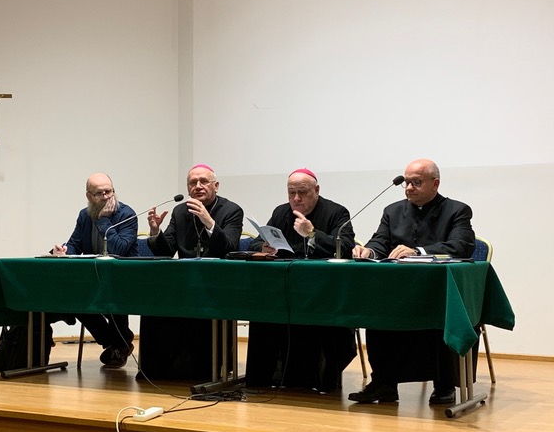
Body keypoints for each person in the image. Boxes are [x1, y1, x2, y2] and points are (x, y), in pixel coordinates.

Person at [349, 158, 476, 404]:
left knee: (438, 317)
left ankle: (444, 385)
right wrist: (369, 251)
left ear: (435, 184)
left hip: (435, 292)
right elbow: (380, 241)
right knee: (376, 312)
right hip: (396, 291)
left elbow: (461, 245)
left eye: (416, 182)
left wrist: (418, 251)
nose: (408, 188)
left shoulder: (457, 210)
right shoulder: (392, 211)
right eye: (406, 182)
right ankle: (384, 383)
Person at [245, 168, 357, 393]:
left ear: (317, 190)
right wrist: (264, 247)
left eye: (302, 192)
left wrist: (312, 233)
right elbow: (255, 242)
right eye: (291, 193)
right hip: (283, 289)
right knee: (262, 311)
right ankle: (265, 377)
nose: (296, 198)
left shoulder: (337, 212)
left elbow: (345, 248)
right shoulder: (281, 212)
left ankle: (317, 380)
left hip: (322, 291)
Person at [139, 164, 244, 380]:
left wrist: (209, 221)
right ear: (188, 188)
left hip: (217, 284)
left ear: (216, 186)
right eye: (193, 183)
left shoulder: (232, 210)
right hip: (184, 283)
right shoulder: (180, 211)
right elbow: (167, 251)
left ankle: (204, 369)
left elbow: (230, 247)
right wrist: (155, 231)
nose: (198, 186)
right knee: (152, 302)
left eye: (203, 181)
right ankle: (159, 369)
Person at [51, 172, 138, 368]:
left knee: (113, 296)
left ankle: (119, 343)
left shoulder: (127, 214)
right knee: (74, 297)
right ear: (89, 196)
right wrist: (63, 251)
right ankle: (117, 341)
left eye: (109, 191)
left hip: (122, 278)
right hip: (94, 276)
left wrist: (103, 220)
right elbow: (75, 244)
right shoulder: (85, 215)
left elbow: (119, 249)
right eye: (99, 193)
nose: (106, 197)